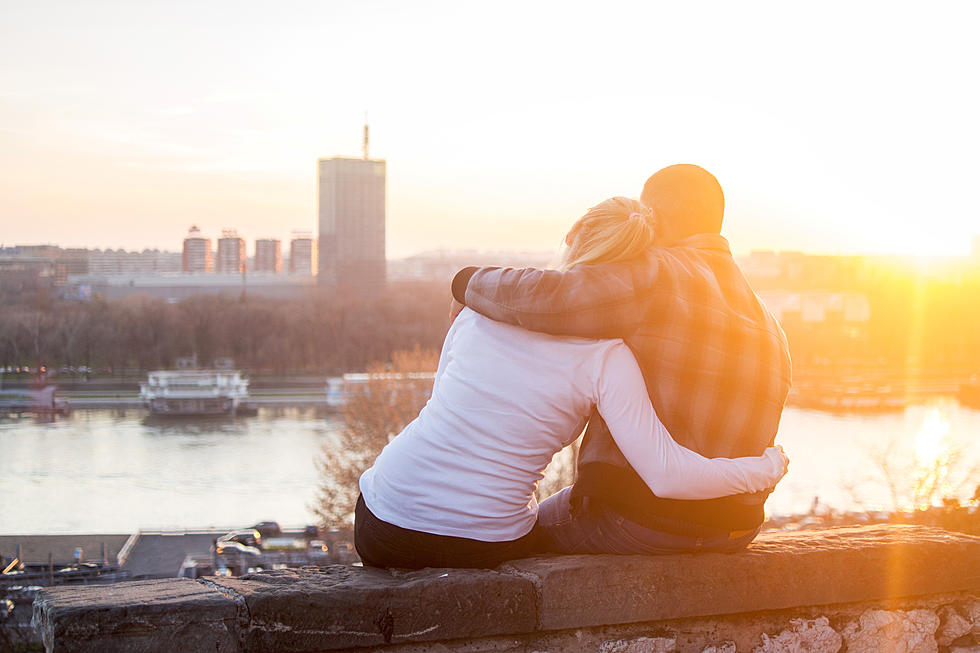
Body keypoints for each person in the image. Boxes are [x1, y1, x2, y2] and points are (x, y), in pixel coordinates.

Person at [355, 196, 789, 569]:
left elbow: (443, 408)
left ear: (574, 231)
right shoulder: (609, 357)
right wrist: (761, 469)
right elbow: (666, 474)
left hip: (382, 519)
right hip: (487, 540)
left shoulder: (480, 307)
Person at [451, 165, 793, 554]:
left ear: (655, 216)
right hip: (736, 529)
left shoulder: (656, 274)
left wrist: (465, 282)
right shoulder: (769, 321)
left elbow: (553, 297)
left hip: (638, 520)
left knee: (506, 532)